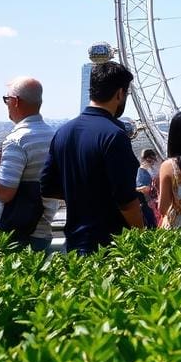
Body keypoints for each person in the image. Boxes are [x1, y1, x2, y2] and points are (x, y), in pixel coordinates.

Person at [40, 61, 144, 254]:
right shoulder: (114, 135)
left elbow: (47, 186)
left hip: (74, 240)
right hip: (110, 246)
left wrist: (80, 193)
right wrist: (143, 236)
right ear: (120, 93)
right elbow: (126, 201)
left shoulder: (63, 132)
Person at [0, 77, 58, 251]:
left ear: (15, 101)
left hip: (15, 231)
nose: (6, 104)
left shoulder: (17, 140)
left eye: (6, 100)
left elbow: (5, 192)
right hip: (43, 226)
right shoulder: (54, 136)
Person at [136, 149, 160, 228]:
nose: (153, 161)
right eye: (152, 159)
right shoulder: (143, 170)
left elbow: (144, 188)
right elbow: (143, 188)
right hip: (152, 201)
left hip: (153, 201)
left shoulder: (145, 169)